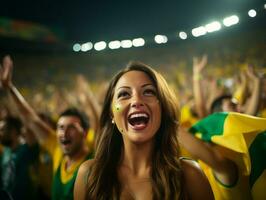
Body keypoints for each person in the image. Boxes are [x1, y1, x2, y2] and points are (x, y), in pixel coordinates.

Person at [74, 62, 214, 199]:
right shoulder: (88, 174)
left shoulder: (190, 175)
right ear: (112, 114)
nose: (136, 101)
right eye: (124, 94)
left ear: (162, 108)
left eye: (148, 92)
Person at [0, 55, 94, 200]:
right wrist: (10, 88)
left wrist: (88, 96)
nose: (64, 133)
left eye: (72, 128)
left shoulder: (95, 163)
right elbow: (30, 118)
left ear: (86, 132)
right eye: (60, 127)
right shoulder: (57, 150)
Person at [0, 116, 39, 200]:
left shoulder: (26, 150)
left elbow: (31, 135)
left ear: (13, 131)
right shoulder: (6, 151)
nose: (0, 133)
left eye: (2, 130)